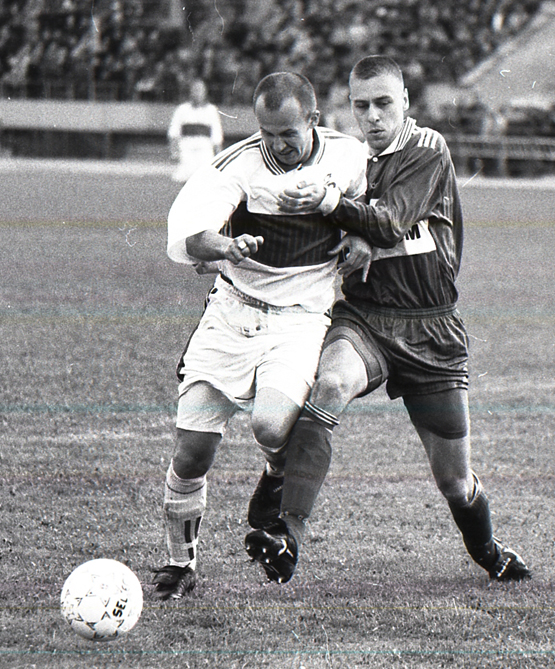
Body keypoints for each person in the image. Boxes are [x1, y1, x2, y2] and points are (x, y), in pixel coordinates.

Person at [245, 55, 531, 585]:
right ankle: (288, 535)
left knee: (455, 481)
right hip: (367, 318)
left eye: (383, 103)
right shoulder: (344, 159)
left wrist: (342, 213)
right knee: (329, 384)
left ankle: (489, 551)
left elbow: (392, 220)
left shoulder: (427, 148)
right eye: (361, 106)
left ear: (405, 102)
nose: (372, 116)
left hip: (431, 326)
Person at [152, 72, 371, 599]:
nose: (276, 144)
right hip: (233, 312)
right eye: (266, 132)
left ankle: (276, 471)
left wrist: (361, 236)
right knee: (192, 453)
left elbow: (370, 203)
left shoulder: (348, 155)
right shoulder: (237, 165)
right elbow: (191, 236)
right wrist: (225, 247)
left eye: (287, 133)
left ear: (313, 119)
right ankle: (180, 564)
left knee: (272, 425)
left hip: (300, 316)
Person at [167, 79, 224, 182]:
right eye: (195, 90)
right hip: (186, 149)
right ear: (190, 92)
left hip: (204, 150)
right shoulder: (182, 109)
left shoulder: (211, 110)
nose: (197, 93)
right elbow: (174, 132)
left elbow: (217, 134)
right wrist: (173, 151)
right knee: (185, 179)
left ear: (205, 92)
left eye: (200, 90)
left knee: (204, 180)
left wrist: (218, 154)